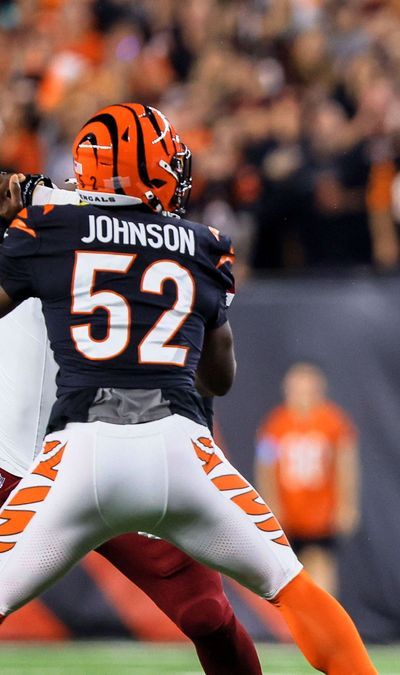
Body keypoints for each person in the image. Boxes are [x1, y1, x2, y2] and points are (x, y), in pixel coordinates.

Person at [0, 103, 375, 675]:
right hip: (178, 450)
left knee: (202, 610)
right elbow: (219, 377)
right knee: (289, 584)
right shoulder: (203, 244)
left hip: (76, 454)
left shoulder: (44, 227)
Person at [0, 171, 262, 674]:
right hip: (24, 455)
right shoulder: (43, 219)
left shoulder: (75, 221)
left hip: (113, 451)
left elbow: (213, 370)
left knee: (206, 612)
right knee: (276, 587)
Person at [256, 361, 360, 597]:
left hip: (321, 508)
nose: (302, 396)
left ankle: (325, 621)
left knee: (321, 563)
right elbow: (265, 468)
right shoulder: (276, 424)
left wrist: (347, 504)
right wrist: (270, 503)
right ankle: (301, 626)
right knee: (292, 570)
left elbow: (346, 464)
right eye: (296, 389)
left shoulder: (332, 420)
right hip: (289, 509)